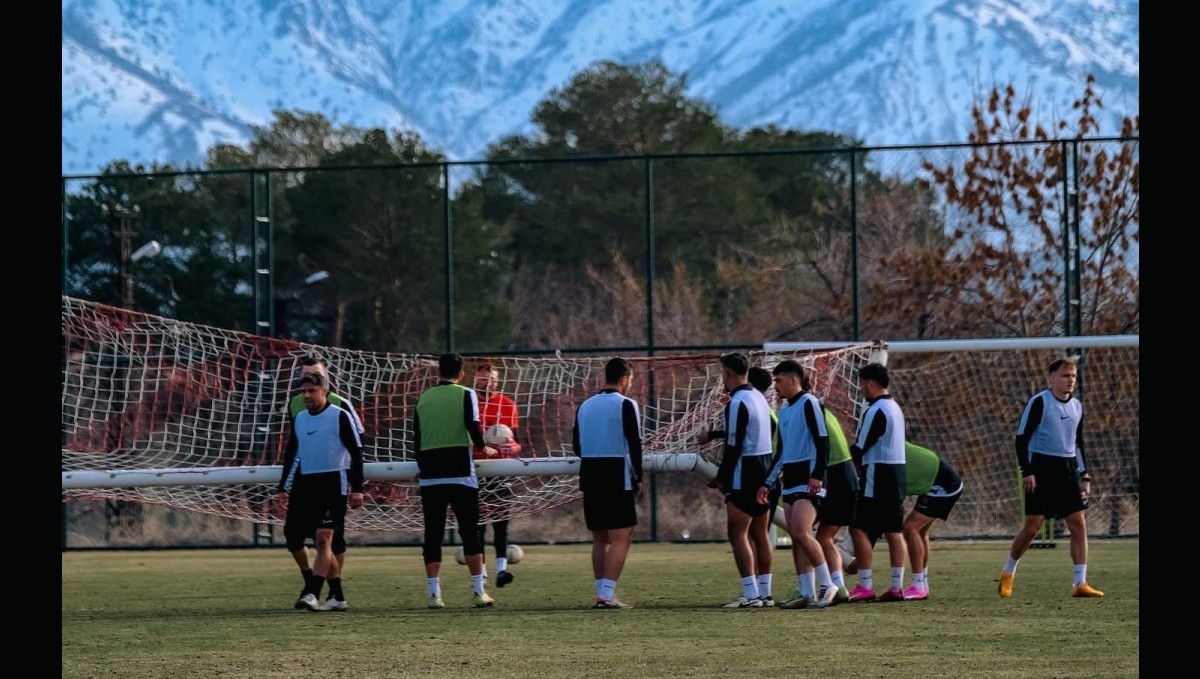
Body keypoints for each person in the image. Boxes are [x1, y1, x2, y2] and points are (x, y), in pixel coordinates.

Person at [999, 356, 1103, 599]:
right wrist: (1028, 471)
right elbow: (1021, 439)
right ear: (1051, 378)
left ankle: (1080, 582)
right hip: (1041, 469)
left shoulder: (1077, 406)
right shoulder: (1039, 402)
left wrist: (1084, 474)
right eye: (1065, 375)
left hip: (1067, 470)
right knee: (1032, 527)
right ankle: (1008, 572)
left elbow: (1078, 443)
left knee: (1078, 523)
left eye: (1073, 376)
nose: (1070, 381)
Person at [414, 353, 498, 609]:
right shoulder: (466, 394)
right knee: (470, 532)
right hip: (461, 473)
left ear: (438, 372)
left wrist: (422, 467)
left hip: (430, 475)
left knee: (433, 534)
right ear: (461, 374)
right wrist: (485, 448)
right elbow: (473, 427)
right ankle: (478, 591)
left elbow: (416, 439)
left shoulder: (423, 398)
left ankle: (434, 595)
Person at [276, 372, 365, 612]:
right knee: (292, 535)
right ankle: (336, 595)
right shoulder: (301, 419)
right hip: (305, 484)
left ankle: (312, 593)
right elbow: (291, 453)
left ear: (325, 391)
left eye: (311, 391)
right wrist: (283, 487)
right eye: (303, 391)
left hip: (332, 483)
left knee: (323, 538)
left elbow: (356, 454)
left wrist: (357, 488)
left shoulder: (340, 416)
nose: (306, 395)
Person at [757, 359, 840, 609]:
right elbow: (781, 452)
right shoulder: (784, 411)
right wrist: (767, 483)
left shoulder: (809, 403)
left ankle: (828, 584)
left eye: (779, 381)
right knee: (797, 536)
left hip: (809, 480)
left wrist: (818, 474)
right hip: (791, 481)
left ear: (794, 379)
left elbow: (822, 441)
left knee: (803, 532)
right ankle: (806, 592)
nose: (776, 386)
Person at [573, 357, 644, 609]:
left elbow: (576, 446)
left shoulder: (585, 406)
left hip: (589, 473)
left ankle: (601, 593)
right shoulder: (626, 404)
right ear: (625, 379)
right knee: (621, 536)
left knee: (599, 537)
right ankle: (607, 595)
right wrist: (638, 477)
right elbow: (635, 444)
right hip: (616, 473)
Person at [708, 352, 775, 608]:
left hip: (745, 470)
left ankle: (751, 594)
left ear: (727, 374)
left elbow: (734, 445)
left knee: (737, 533)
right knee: (760, 533)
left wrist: (721, 477)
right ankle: (765, 593)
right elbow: (772, 427)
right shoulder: (758, 396)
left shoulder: (736, 402)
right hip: (764, 465)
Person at [846, 362, 909, 603]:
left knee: (858, 526)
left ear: (870, 383)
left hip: (877, 475)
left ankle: (865, 585)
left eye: (862, 383)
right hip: (896, 474)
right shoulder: (894, 407)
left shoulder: (875, 411)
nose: (861, 388)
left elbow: (861, 447)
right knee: (894, 531)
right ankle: (896, 586)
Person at [472, 362, 521, 588]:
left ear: (498, 381)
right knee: (478, 524)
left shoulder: (507, 404)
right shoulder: (468, 402)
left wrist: (514, 448)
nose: (487, 382)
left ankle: (502, 569)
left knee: (501, 521)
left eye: (491, 378)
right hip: (476, 468)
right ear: (474, 379)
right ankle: (481, 573)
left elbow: (517, 441)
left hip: (501, 469)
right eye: (483, 378)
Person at [899, 443, 964, 600]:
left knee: (910, 528)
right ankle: (922, 584)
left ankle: (918, 585)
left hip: (945, 485)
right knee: (919, 531)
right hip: (936, 482)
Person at [813, 407, 858, 604]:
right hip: (845, 477)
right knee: (823, 537)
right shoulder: (823, 412)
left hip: (835, 479)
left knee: (809, 536)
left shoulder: (807, 411)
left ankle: (808, 588)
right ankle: (838, 586)